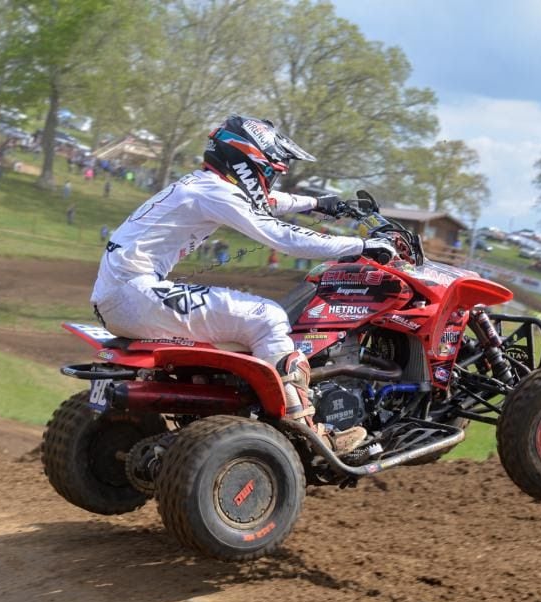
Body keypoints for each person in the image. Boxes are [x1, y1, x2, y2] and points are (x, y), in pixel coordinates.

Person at [90, 114, 396, 450]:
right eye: (270, 170)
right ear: (248, 160)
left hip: (120, 296)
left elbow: (263, 204)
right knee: (269, 317)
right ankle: (308, 431)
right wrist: (363, 245)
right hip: (138, 295)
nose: (270, 179)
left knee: (245, 321)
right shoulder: (218, 193)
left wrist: (318, 203)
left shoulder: (205, 185)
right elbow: (284, 238)